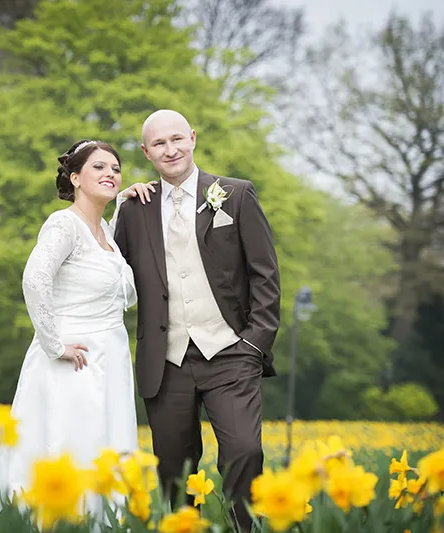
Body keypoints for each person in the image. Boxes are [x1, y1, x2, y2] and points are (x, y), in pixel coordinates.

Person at [113, 109, 281, 531]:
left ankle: (247, 529)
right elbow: (111, 274)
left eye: (176, 139)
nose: (170, 150)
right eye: (159, 144)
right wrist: (117, 205)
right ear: (146, 152)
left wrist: (255, 342)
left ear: (192, 138)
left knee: (244, 451)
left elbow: (265, 273)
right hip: (165, 361)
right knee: (174, 470)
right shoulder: (135, 210)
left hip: (230, 353)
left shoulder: (236, 194)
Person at [0, 140, 155, 520]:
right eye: (99, 168)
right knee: (70, 446)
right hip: (72, 361)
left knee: (102, 453)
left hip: (111, 361)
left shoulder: (106, 233)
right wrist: (54, 344)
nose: (110, 173)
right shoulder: (64, 225)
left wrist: (126, 197)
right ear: (75, 178)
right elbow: (35, 278)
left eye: (116, 168)